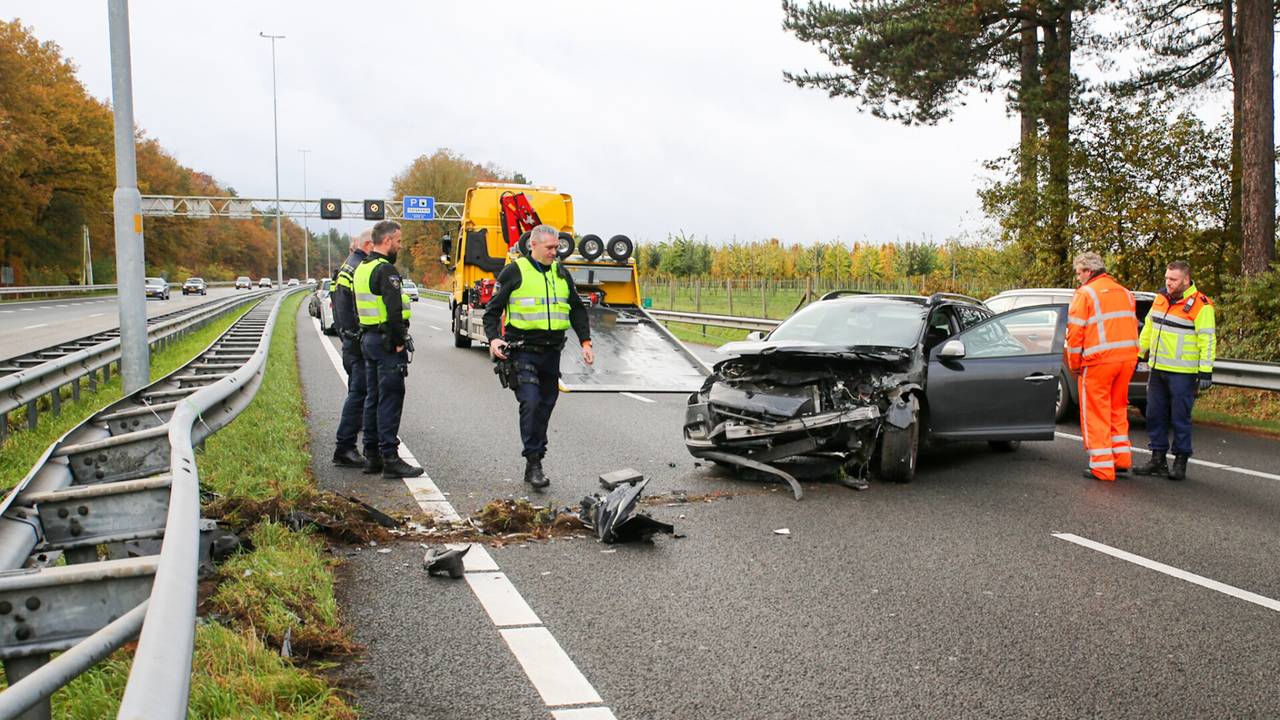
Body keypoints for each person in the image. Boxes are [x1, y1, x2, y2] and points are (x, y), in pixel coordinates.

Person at [483, 224, 593, 488]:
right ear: (533, 245)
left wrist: (586, 342)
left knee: (545, 408)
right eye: (550, 248)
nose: (555, 252)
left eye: (557, 247)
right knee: (530, 403)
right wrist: (494, 338)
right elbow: (492, 311)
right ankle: (534, 462)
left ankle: (536, 455)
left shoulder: (561, 273)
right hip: (522, 352)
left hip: (552, 353)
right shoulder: (515, 271)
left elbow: (577, 310)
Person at [353, 220, 424, 479]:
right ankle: (390, 458)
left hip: (368, 339)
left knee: (373, 397)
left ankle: (371, 456)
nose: (400, 246)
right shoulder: (386, 270)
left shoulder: (362, 267)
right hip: (386, 341)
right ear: (386, 242)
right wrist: (397, 340)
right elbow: (394, 310)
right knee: (390, 399)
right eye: (399, 242)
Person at [1135, 260, 1216, 481]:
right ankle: (1157, 459)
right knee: (1155, 415)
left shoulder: (1201, 305)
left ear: (1186, 280)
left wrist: (1205, 371)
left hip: (1183, 372)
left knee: (1180, 418)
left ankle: (1180, 460)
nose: (1168, 283)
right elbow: (1149, 327)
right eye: (1167, 278)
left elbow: (1207, 340)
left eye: (1173, 279)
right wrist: (1139, 353)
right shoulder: (1161, 299)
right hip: (1158, 369)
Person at [1065, 252, 1140, 482]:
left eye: (1079, 273)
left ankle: (1102, 466)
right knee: (1117, 409)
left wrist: (1074, 364)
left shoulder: (1085, 294)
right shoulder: (1125, 292)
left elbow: (1075, 333)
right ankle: (1121, 460)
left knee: (1095, 413)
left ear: (1088, 271)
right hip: (1126, 359)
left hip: (1098, 361)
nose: (1078, 278)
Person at [330, 230, 375, 468]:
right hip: (357, 345)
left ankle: (349, 445)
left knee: (359, 394)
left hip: (351, 342)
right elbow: (351, 311)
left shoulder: (347, 267)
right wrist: (358, 340)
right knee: (359, 394)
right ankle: (345, 447)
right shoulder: (357, 268)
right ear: (368, 244)